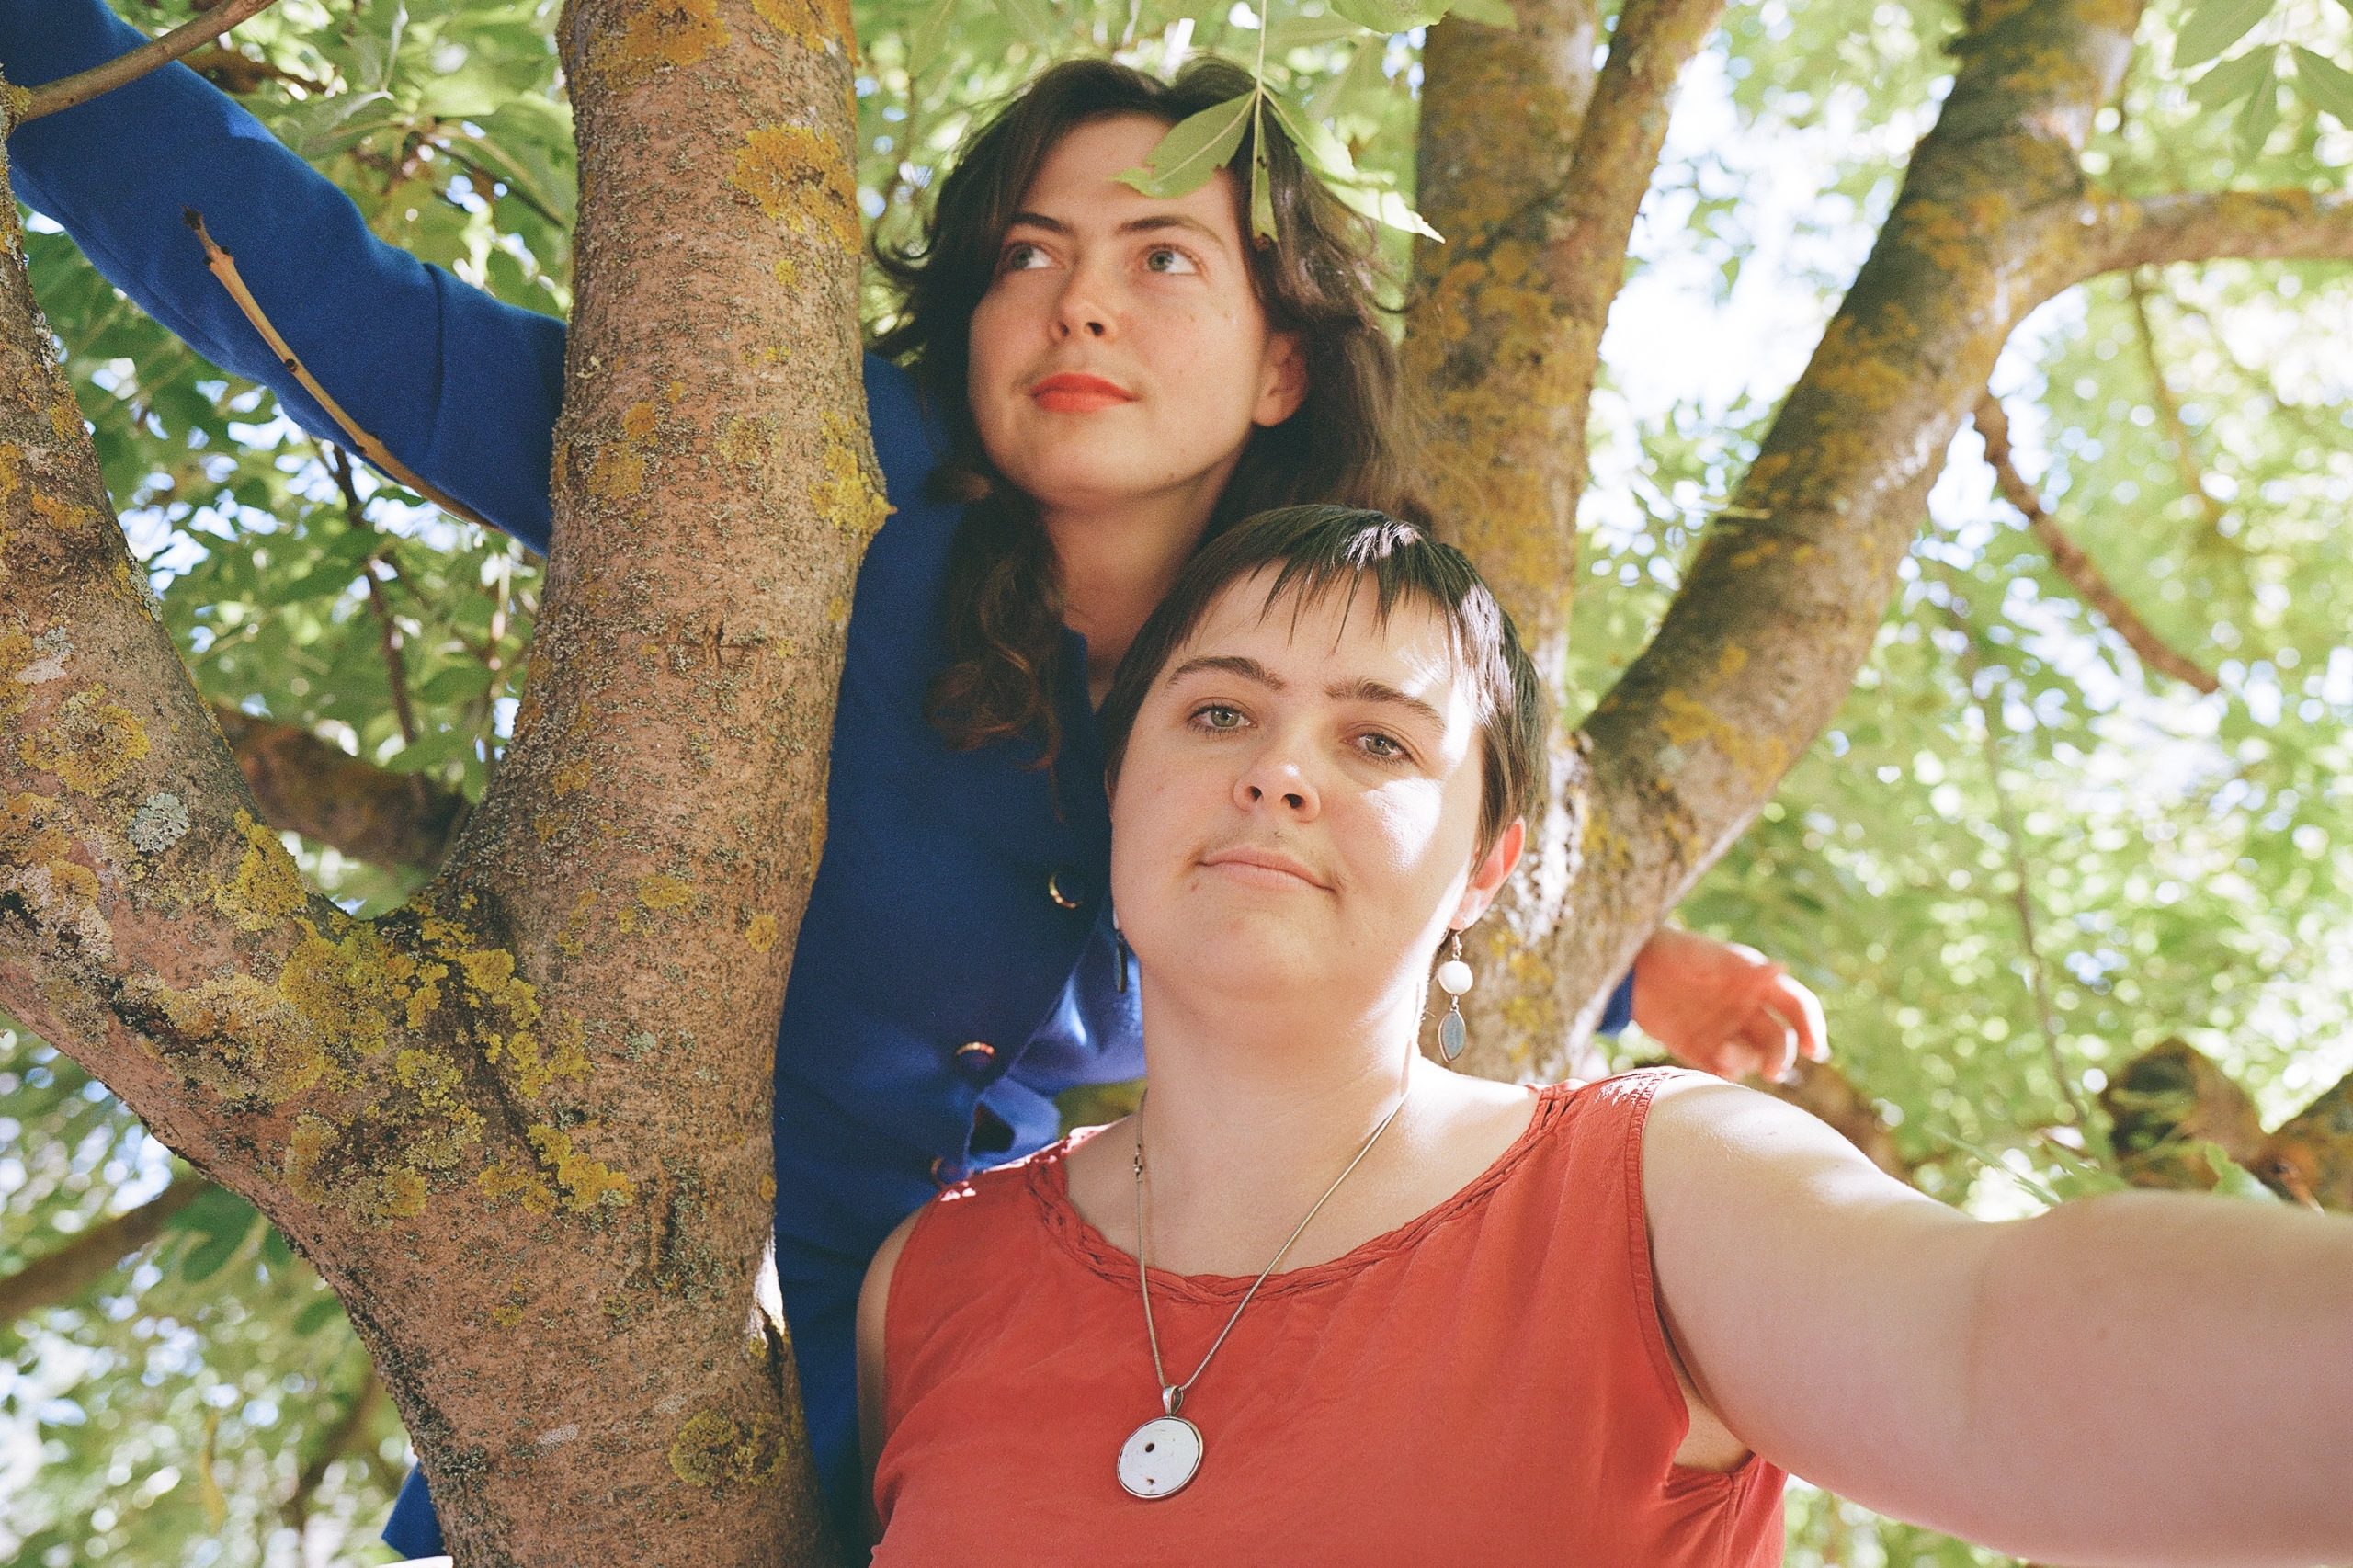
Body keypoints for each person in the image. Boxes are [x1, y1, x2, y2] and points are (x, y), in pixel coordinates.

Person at [0, 10, 1827, 1545]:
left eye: (1157, 257)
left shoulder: (1275, 674)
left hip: (1011, 1391)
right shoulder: (819, 480)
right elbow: (368, 334)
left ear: (1283, 362)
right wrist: (50, 62)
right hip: (618, 1310)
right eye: (1025, 256)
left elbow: (1349, 847)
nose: (1075, 307)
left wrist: (1636, 970)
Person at [858, 505, 2353, 1563]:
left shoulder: (1655, 1189)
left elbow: (1991, 1348)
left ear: (1488, 865)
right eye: (1218, 714)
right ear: (1119, 782)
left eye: (1378, 739)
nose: (1281, 774)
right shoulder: (928, 1278)